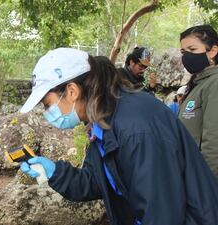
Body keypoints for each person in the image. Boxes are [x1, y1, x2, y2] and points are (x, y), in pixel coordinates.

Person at [19, 48, 218, 225]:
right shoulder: (104, 119)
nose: (47, 112)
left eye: (47, 104)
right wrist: (56, 172)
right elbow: (97, 180)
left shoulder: (135, 127)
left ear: (72, 91)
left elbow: (161, 212)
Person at [179, 25, 218, 177]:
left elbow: (214, 141)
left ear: (213, 51)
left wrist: (205, 184)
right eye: (183, 52)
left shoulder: (214, 83)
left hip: (203, 179)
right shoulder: (198, 83)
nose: (186, 56)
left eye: (192, 49)